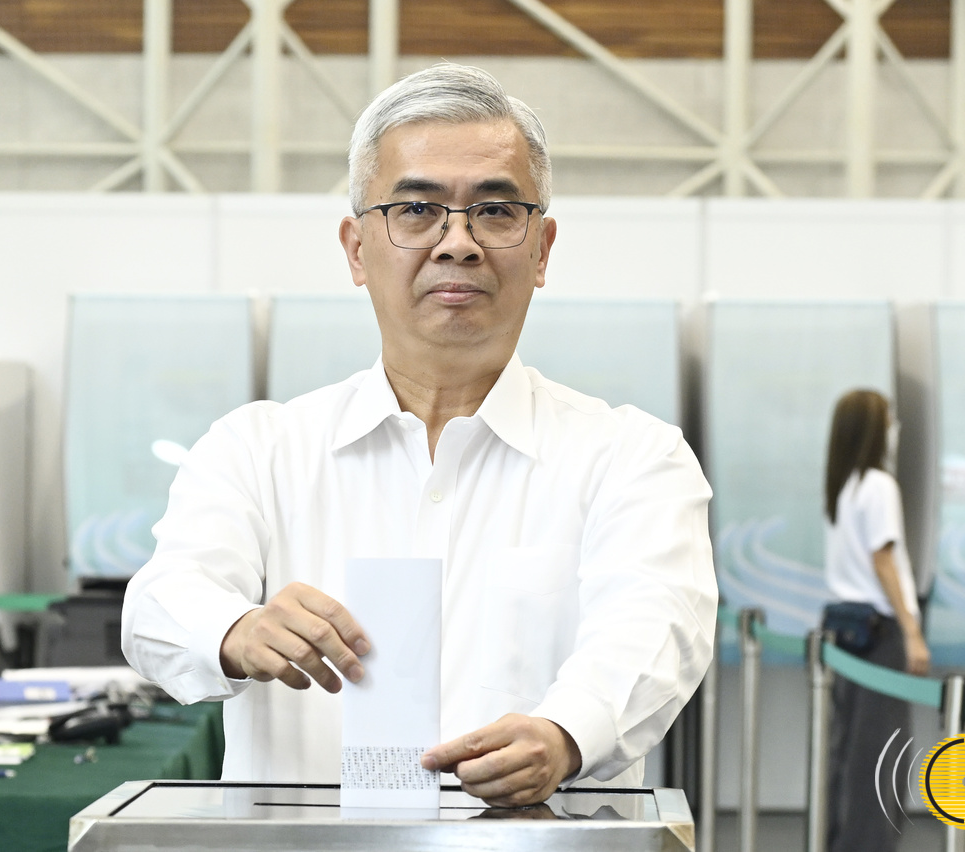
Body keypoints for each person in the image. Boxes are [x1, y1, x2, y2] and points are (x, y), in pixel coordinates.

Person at [122, 63, 716, 807]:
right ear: (356, 248)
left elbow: (657, 626)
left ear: (542, 250)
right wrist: (235, 629)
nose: (457, 242)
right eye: (416, 209)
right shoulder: (258, 450)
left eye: (495, 211)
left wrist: (566, 733)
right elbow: (159, 602)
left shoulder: (633, 458)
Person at [823, 389, 929, 852]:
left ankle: (841, 840)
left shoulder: (842, 485)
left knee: (850, 749)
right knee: (882, 753)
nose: (894, 428)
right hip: (879, 632)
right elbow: (883, 560)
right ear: (874, 429)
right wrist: (912, 631)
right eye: (888, 419)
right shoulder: (879, 485)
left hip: (844, 628)